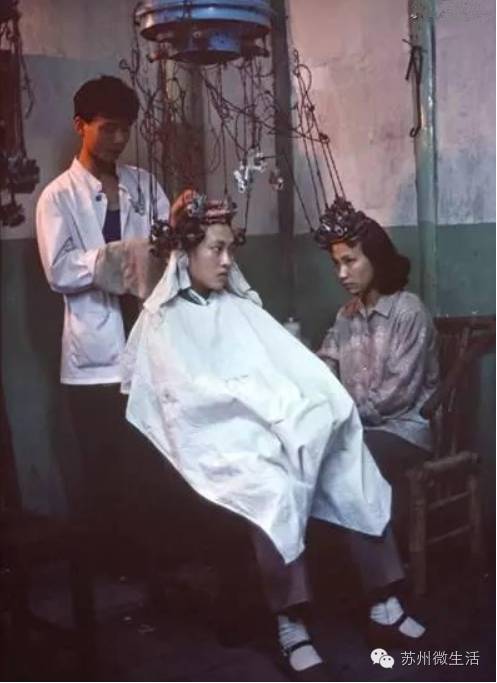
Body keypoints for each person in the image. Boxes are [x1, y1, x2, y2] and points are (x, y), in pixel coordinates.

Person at [121, 196, 426, 680]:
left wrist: (302, 410)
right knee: (274, 487)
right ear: (186, 252)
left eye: (231, 250)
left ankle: (384, 602)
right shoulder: (164, 320)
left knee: (346, 455)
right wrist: (255, 418)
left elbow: (289, 370)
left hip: (270, 425)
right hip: (217, 442)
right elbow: (187, 402)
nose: (227, 261)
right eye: (216, 250)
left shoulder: (240, 308)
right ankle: (292, 625)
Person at [35, 75, 189, 573]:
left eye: (125, 129)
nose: (118, 139)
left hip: (146, 344)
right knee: (103, 466)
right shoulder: (57, 197)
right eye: (107, 128)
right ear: (80, 126)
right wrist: (127, 255)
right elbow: (60, 271)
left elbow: (166, 252)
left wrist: (176, 227)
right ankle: (113, 571)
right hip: (94, 356)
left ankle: (154, 567)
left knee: (149, 460)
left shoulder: (143, 184)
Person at [317, 197, 439, 547]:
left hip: (405, 431)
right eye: (336, 264)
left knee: (348, 459)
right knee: (313, 452)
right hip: (361, 429)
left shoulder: (408, 311)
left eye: (350, 261)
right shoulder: (346, 316)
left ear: (376, 258)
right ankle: (350, 560)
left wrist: (345, 421)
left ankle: (379, 565)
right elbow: (324, 367)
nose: (342, 273)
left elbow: (399, 393)